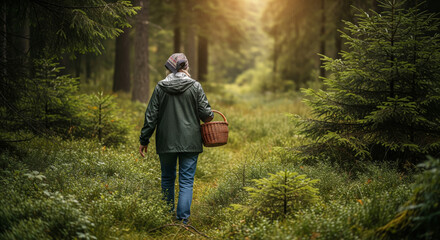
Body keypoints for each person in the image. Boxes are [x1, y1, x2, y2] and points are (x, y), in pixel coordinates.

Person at [138, 53, 213, 224]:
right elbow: (207, 116)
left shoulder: (160, 87)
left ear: (169, 69)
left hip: (166, 141)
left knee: (167, 178)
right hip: (190, 141)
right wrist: (207, 113)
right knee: (186, 181)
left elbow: (151, 116)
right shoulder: (195, 86)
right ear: (186, 67)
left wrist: (144, 140)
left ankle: (166, 216)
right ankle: (182, 221)